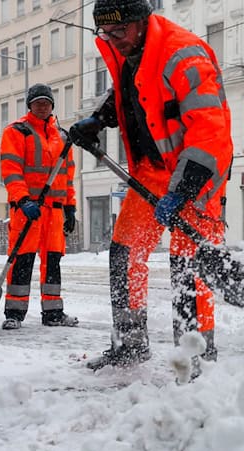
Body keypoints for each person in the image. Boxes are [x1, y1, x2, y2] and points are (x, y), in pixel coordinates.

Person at [67, 0, 232, 370]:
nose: (112, 39)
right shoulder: (131, 50)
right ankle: (129, 344)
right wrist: (97, 120)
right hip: (151, 171)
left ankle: (196, 356)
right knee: (125, 253)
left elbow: (210, 132)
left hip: (197, 171)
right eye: (104, 32)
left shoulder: (183, 54)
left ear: (141, 21)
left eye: (118, 31)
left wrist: (182, 191)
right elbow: (133, 96)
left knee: (188, 265)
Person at [0, 83, 79, 329]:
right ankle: (14, 313)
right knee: (22, 260)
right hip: (28, 209)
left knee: (52, 261)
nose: (42, 106)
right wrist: (23, 199)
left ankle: (53, 313)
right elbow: (11, 171)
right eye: (38, 102)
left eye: (46, 102)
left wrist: (70, 207)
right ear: (30, 105)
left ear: (52, 105)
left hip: (54, 211)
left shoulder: (63, 137)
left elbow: (67, 175)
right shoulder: (17, 132)